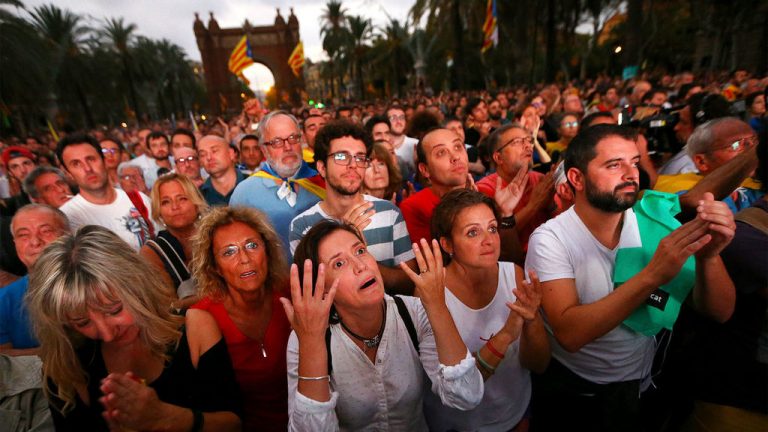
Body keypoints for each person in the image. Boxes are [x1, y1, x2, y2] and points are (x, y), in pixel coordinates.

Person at [525, 124, 736, 431]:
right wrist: (652, 275)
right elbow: (570, 335)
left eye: (635, 162)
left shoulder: (654, 223)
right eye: (614, 165)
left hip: (640, 385)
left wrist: (709, 256)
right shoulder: (551, 240)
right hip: (577, 392)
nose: (630, 174)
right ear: (576, 179)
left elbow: (720, 311)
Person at [26, 225, 243, 431]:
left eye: (114, 310)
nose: (107, 334)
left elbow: (234, 425)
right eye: (82, 322)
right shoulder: (66, 366)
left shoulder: (194, 328)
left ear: (137, 285)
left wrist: (166, 417)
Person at [283, 220, 484, 431]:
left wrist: (437, 305)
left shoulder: (414, 312)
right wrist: (313, 344)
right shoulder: (307, 337)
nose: (361, 266)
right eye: (339, 264)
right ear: (321, 289)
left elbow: (467, 396)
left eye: (360, 251)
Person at [424, 189, 550, 431]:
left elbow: (538, 364)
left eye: (492, 228)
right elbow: (457, 389)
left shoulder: (513, 274)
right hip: (459, 425)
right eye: (473, 232)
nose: (489, 240)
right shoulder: (432, 292)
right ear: (447, 244)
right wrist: (506, 335)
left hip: (514, 414)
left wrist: (532, 320)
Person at [186, 206, 291, 431]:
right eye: (229, 252)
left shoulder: (291, 292)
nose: (245, 259)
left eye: (252, 246)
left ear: (268, 250)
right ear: (214, 268)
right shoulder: (203, 318)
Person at [289, 121, 416, 294]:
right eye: (341, 157)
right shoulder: (302, 225)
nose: (353, 165)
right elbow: (311, 293)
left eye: (360, 157)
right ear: (322, 167)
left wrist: (362, 258)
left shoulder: (389, 213)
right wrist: (344, 236)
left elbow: (409, 282)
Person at [230, 111, 326, 255]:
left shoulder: (323, 180)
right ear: (263, 149)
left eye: (293, 138)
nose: (288, 147)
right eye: (276, 142)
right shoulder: (244, 193)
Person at [57, 134, 153, 251]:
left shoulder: (138, 199)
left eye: (91, 159)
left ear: (103, 160)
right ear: (68, 173)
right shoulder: (67, 217)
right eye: (76, 164)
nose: (87, 168)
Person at [0, 204, 70, 355]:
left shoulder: (98, 284)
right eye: (23, 235)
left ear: (69, 234)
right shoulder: (3, 301)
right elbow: (5, 362)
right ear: (15, 243)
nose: (35, 242)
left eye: (46, 231)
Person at [477, 123, 556, 249]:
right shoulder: (483, 190)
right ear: (498, 157)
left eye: (529, 141)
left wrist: (552, 204)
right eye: (517, 142)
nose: (528, 146)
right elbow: (494, 239)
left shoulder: (540, 179)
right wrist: (534, 205)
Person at [139, 173, 208, 311]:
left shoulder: (216, 234)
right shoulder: (152, 252)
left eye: (182, 199)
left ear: (196, 203)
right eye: (166, 202)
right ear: (159, 211)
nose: (175, 207)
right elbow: (168, 307)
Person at [198, 135, 248, 206]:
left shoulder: (254, 184)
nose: (208, 157)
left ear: (231, 154)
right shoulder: (198, 196)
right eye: (202, 155)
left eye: (214, 151)